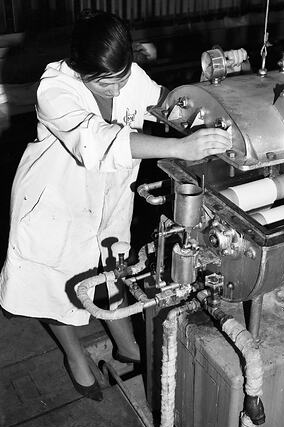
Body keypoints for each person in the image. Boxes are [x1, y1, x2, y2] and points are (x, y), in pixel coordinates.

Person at [0, 10, 231, 401]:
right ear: (79, 68)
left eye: (122, 76)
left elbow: (164, 103)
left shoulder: (126, 75)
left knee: (113, 270)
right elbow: (97, 142)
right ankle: (74, 356)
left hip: (107, 199)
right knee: (52, 287)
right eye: (105, 81)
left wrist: (203, 112)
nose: (116, 87)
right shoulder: (54, 88)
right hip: (55, 200)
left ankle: (126, 346)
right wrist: (179, 147)